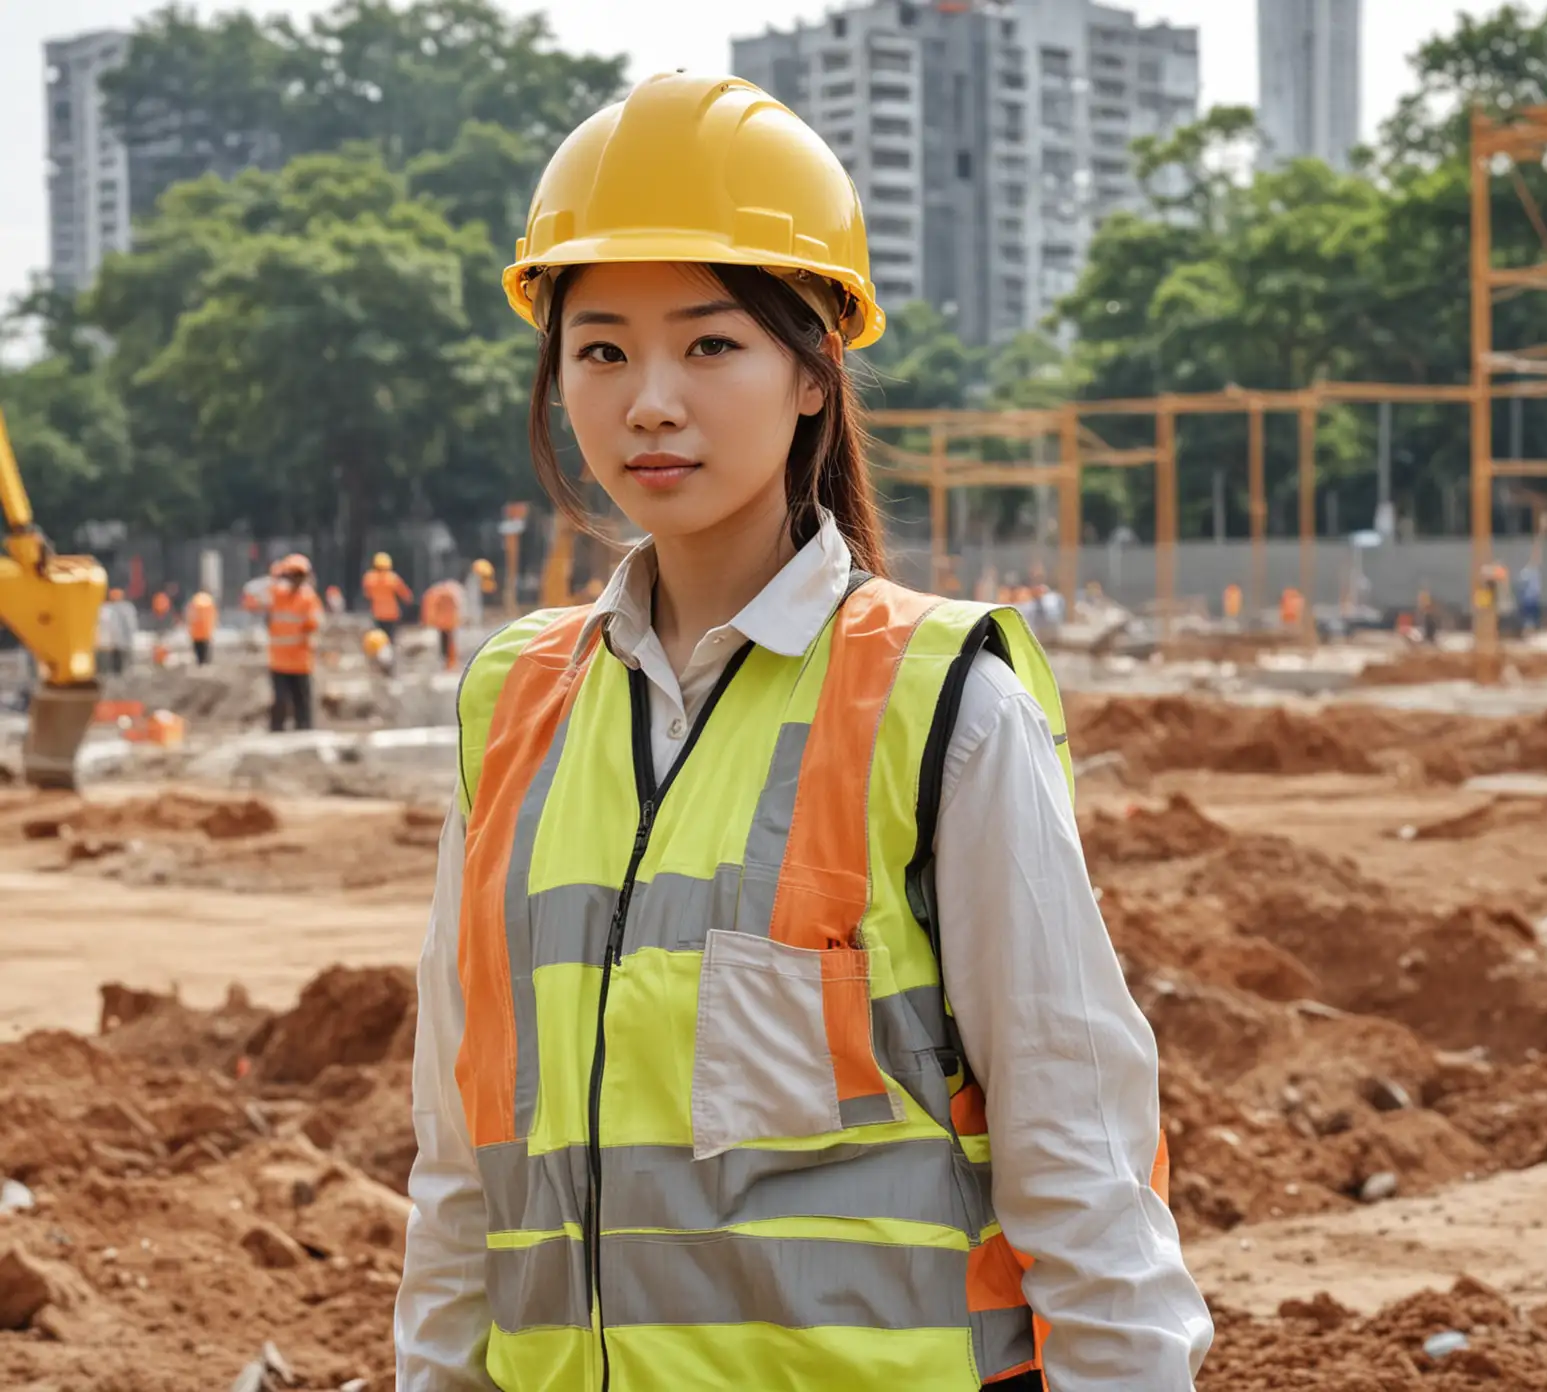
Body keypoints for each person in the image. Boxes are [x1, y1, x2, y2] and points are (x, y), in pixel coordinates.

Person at [394, 73, 1210, 1392]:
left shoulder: (942, 703)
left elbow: (1084, 1163)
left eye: (710, 345)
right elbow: (463, 1167)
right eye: (601, 349)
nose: (650, 399)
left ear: (816, 374)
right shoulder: (512, 712)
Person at [265, 554, 321, 731]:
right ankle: (276, 730)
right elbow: (254, 595)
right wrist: (276, 575)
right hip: (280, 660)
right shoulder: (276, 594)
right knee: (280, 700)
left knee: (302, 701)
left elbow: (314, 623)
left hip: (300, 660)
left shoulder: (308, 598)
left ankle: (304, 731)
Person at [362, 552, 413, 641]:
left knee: (379, 638)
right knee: (390, 638)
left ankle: (380, 652)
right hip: (392, 614)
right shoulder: (392, 578)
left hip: (377, 613)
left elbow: (367, 595)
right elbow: (406, 595)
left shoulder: (369, 578)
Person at [420, 576, 464, 671]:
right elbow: (458, 606)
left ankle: (446, 662)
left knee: (444, 643)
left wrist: (429, 621)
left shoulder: (435, 593)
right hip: (451, 622)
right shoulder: (453, 593)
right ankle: (450, 663)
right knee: (450, 643)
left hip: (441, 623)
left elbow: (430, 608)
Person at [96, 588, 137, 677]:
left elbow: (131, 627)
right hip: (104, 647)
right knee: (104, 673)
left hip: (123, 646)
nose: (115, 594)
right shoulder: (103, 608)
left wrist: (128, 644)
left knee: (122, 673)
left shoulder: (127, 608)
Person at [185, 589, 218, 665]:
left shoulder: (194, 601)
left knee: (198, 648)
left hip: (196, 630)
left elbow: (189, 615)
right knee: (205, 647)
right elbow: (213, 615)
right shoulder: (209, 601)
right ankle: (205, 660)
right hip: (206, 630)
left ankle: (200, 661)